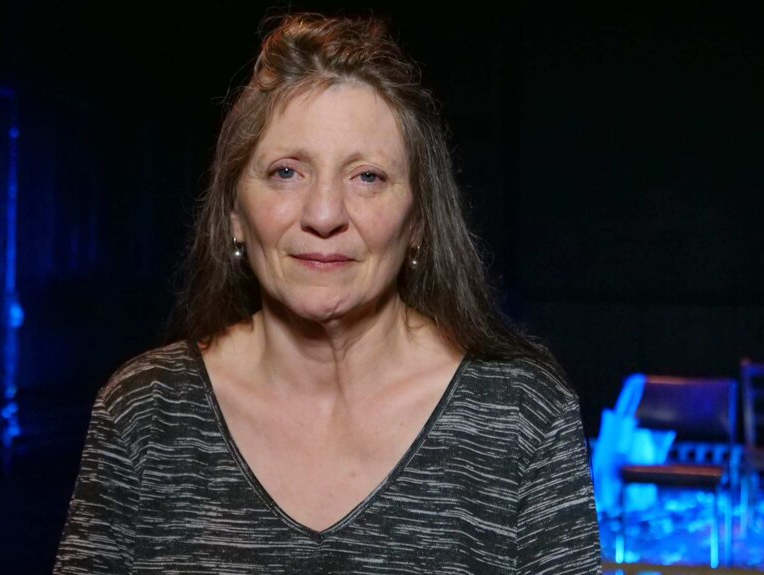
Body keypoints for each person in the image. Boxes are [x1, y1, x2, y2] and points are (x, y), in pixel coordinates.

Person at [53, 11, 602, 574]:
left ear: (418, 221)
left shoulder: (520, 415)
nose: (323, 215)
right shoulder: (146, 411)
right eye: (287, 172)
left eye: (367, 177)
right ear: (234, 213)